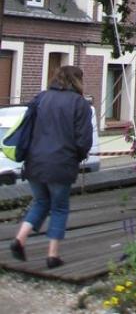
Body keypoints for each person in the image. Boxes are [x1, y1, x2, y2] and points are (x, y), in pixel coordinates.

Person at [10, 64, 93, 269]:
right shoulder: (79, 104)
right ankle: (52, 255)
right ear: (77, 80)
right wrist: (78, 156)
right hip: (61, 164)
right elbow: (83, 139)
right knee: (59, 207)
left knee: (40, 202)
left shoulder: (41, 98)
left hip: (35, 163)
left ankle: (19, 239)